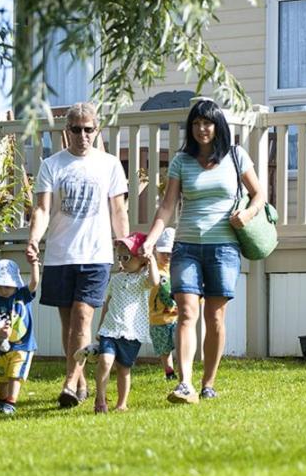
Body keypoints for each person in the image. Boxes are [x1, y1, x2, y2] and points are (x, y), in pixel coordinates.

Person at [141, 99, 266, 404]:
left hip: (224, 247)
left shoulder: (236, 156)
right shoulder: (182, 161)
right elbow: (167, 206)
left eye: (207, 123)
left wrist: (247, 215)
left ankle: (208, 382)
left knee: (215, 317)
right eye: (196, 124)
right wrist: (150, 239)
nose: (201, 129)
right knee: (185, 313)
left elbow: (259, 194)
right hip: (186, 248)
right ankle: (185, 384)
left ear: (217, 125)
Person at [25, 102, 130, 409]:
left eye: (88, 129)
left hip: (96, 255)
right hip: (60, 254)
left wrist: (123, 245)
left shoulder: (109, 164)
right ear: (66, 132)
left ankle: (69, 382)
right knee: (69, 324)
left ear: (96, 131)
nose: (82, 135)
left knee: (84, 317)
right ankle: (80, 381)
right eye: (76, 129)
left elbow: (118, 209)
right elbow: (43, 209)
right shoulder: (52, 165)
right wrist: (34, 239)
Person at [75, 232, 159, 413]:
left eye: (126, 257)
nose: (121, 262)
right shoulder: (116, 278)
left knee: (124, 369)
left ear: (141, 259)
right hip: (110, 330)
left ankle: (122, 403)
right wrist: (100, 328)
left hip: (131, 332)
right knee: (105, 361)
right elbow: (108, 303)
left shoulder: (143, 279)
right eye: (119, 257)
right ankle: (100, 399)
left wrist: (151, 260)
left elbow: (155, 281)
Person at [0, 258, 40, 415]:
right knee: (1, 374)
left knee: (15, 374)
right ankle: (1, 399)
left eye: (7, 286)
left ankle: (11, 401)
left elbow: (35, 282)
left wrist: (34, 264)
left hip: (23, 345)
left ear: (15, 283)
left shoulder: (22, 294)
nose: (3, 290)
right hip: (3, 345)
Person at [149, 227, 178, 381]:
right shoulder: (154, 270)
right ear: (156, 251)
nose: (167, 256)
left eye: (170, 253)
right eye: (163, 252)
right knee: (164, 350)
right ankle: (169, 372)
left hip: (177, 317)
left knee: (181, 343)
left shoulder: (177, 270)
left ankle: (184, 370)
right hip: (158, 319)